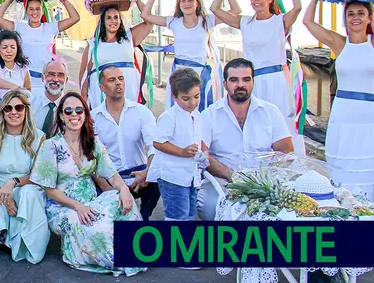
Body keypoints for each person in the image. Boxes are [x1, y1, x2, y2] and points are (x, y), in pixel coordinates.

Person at [30, 91, 144, 276]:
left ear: (85, 114)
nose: (74, 115)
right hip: (62, 207)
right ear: (61, 116)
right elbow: (49, 191)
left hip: (91, 202)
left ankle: (137, 250)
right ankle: (115, 258)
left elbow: (112, 175)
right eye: (68, 111)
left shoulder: (93, 143)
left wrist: (124, 190)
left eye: (79, 110)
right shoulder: (50, 146)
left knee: (122, 201)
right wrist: (78, 207)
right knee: (97, 227)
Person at [211, 0, 304, 152]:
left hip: (276, 79)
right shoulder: (245, 22)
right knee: (254, 121)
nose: (256, 0)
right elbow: (214, 8)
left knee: (279, 121)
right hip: (252, 80)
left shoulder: (280, 22)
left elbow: (298, 7)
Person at [197, 58, 294, 220]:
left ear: (253, 82)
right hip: (223, 181)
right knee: (209, 208)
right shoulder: (210, 114)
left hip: (264, 182)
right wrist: (231, 174)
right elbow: (202, 153)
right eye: (234, 80)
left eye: (246, 79)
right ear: (225, 83)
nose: (240, 85)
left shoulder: (270, 112)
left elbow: (286, 150)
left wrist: (265, 177)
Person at [304, 0, 374, 199]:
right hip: (343, 114)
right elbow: (308, 22)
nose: (356, 18)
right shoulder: (340, 43)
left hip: (369, 114)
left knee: (367, 165)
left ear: (369, 17)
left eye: (361, 13)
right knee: (344, 164)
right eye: (351, 14)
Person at [141, 0, 239, 111]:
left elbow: (236, 10)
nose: (186, 3)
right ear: (179, 4)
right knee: (177, 112)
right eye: (183, 0)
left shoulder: (207, 20)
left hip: (199, 74)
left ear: (197, 3)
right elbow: (145, 15)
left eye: (190, 0)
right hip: (179, 73)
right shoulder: (174, 21)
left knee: (200, 112)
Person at [0, 90, 49, 263]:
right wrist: (6, 199)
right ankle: (8, 233)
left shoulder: (39, 137)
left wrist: (14, 182)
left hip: (27, 185)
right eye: (8, 108)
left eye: (19, 107)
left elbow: (37, 175)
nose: (13, 112)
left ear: (26, 110)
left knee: (28, 194)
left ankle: (26, 244)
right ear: (2, 112)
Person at [92, 66, 159, 221]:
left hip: (139, 174)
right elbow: (90, 156)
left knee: (159, 174)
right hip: (110, 177)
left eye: (121, 79)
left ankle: (144, 217)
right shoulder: (93, 117)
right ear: (102, 87)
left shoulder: (141, 112)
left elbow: (153, 145)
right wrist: (105, 185)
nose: (118, 83)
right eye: (112, 80)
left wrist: (147, 171)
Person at [152, 69, 210, 227]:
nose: (192, 102)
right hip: (173, 177)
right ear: (174, 96)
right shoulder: (169, 117)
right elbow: (158, 142)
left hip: (190, 176)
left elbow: (199, 138)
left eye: (196, 97)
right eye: (186, 98)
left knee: (190, 213)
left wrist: (204, 153)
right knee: (178, 215)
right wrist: (182, 152)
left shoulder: (197, 115)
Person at [0, 0, 81, 91]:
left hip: (47, 80)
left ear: (42, 11)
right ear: (26, 11)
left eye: (38, 9)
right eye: (31, 9)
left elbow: (75, 18)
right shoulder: (19, 27)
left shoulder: (51, 27)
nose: (35, 12)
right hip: (23, 79)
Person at [79, 4, 152, 109]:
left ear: (121, 20)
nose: (113, 21)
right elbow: (84, 73)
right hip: (100, 93)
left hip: (128, 89)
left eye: (116, 17)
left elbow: (149, 22)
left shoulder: (130, 37)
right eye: (108, 17)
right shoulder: (93, 45)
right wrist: (83, 100)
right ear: (102, 21)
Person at [29, 60, 68, 135]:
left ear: (66, 80)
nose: (55, 79)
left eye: (60, 75)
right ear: (42, 78)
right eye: (51, 74)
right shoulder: (30, 105)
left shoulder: (73, 108)